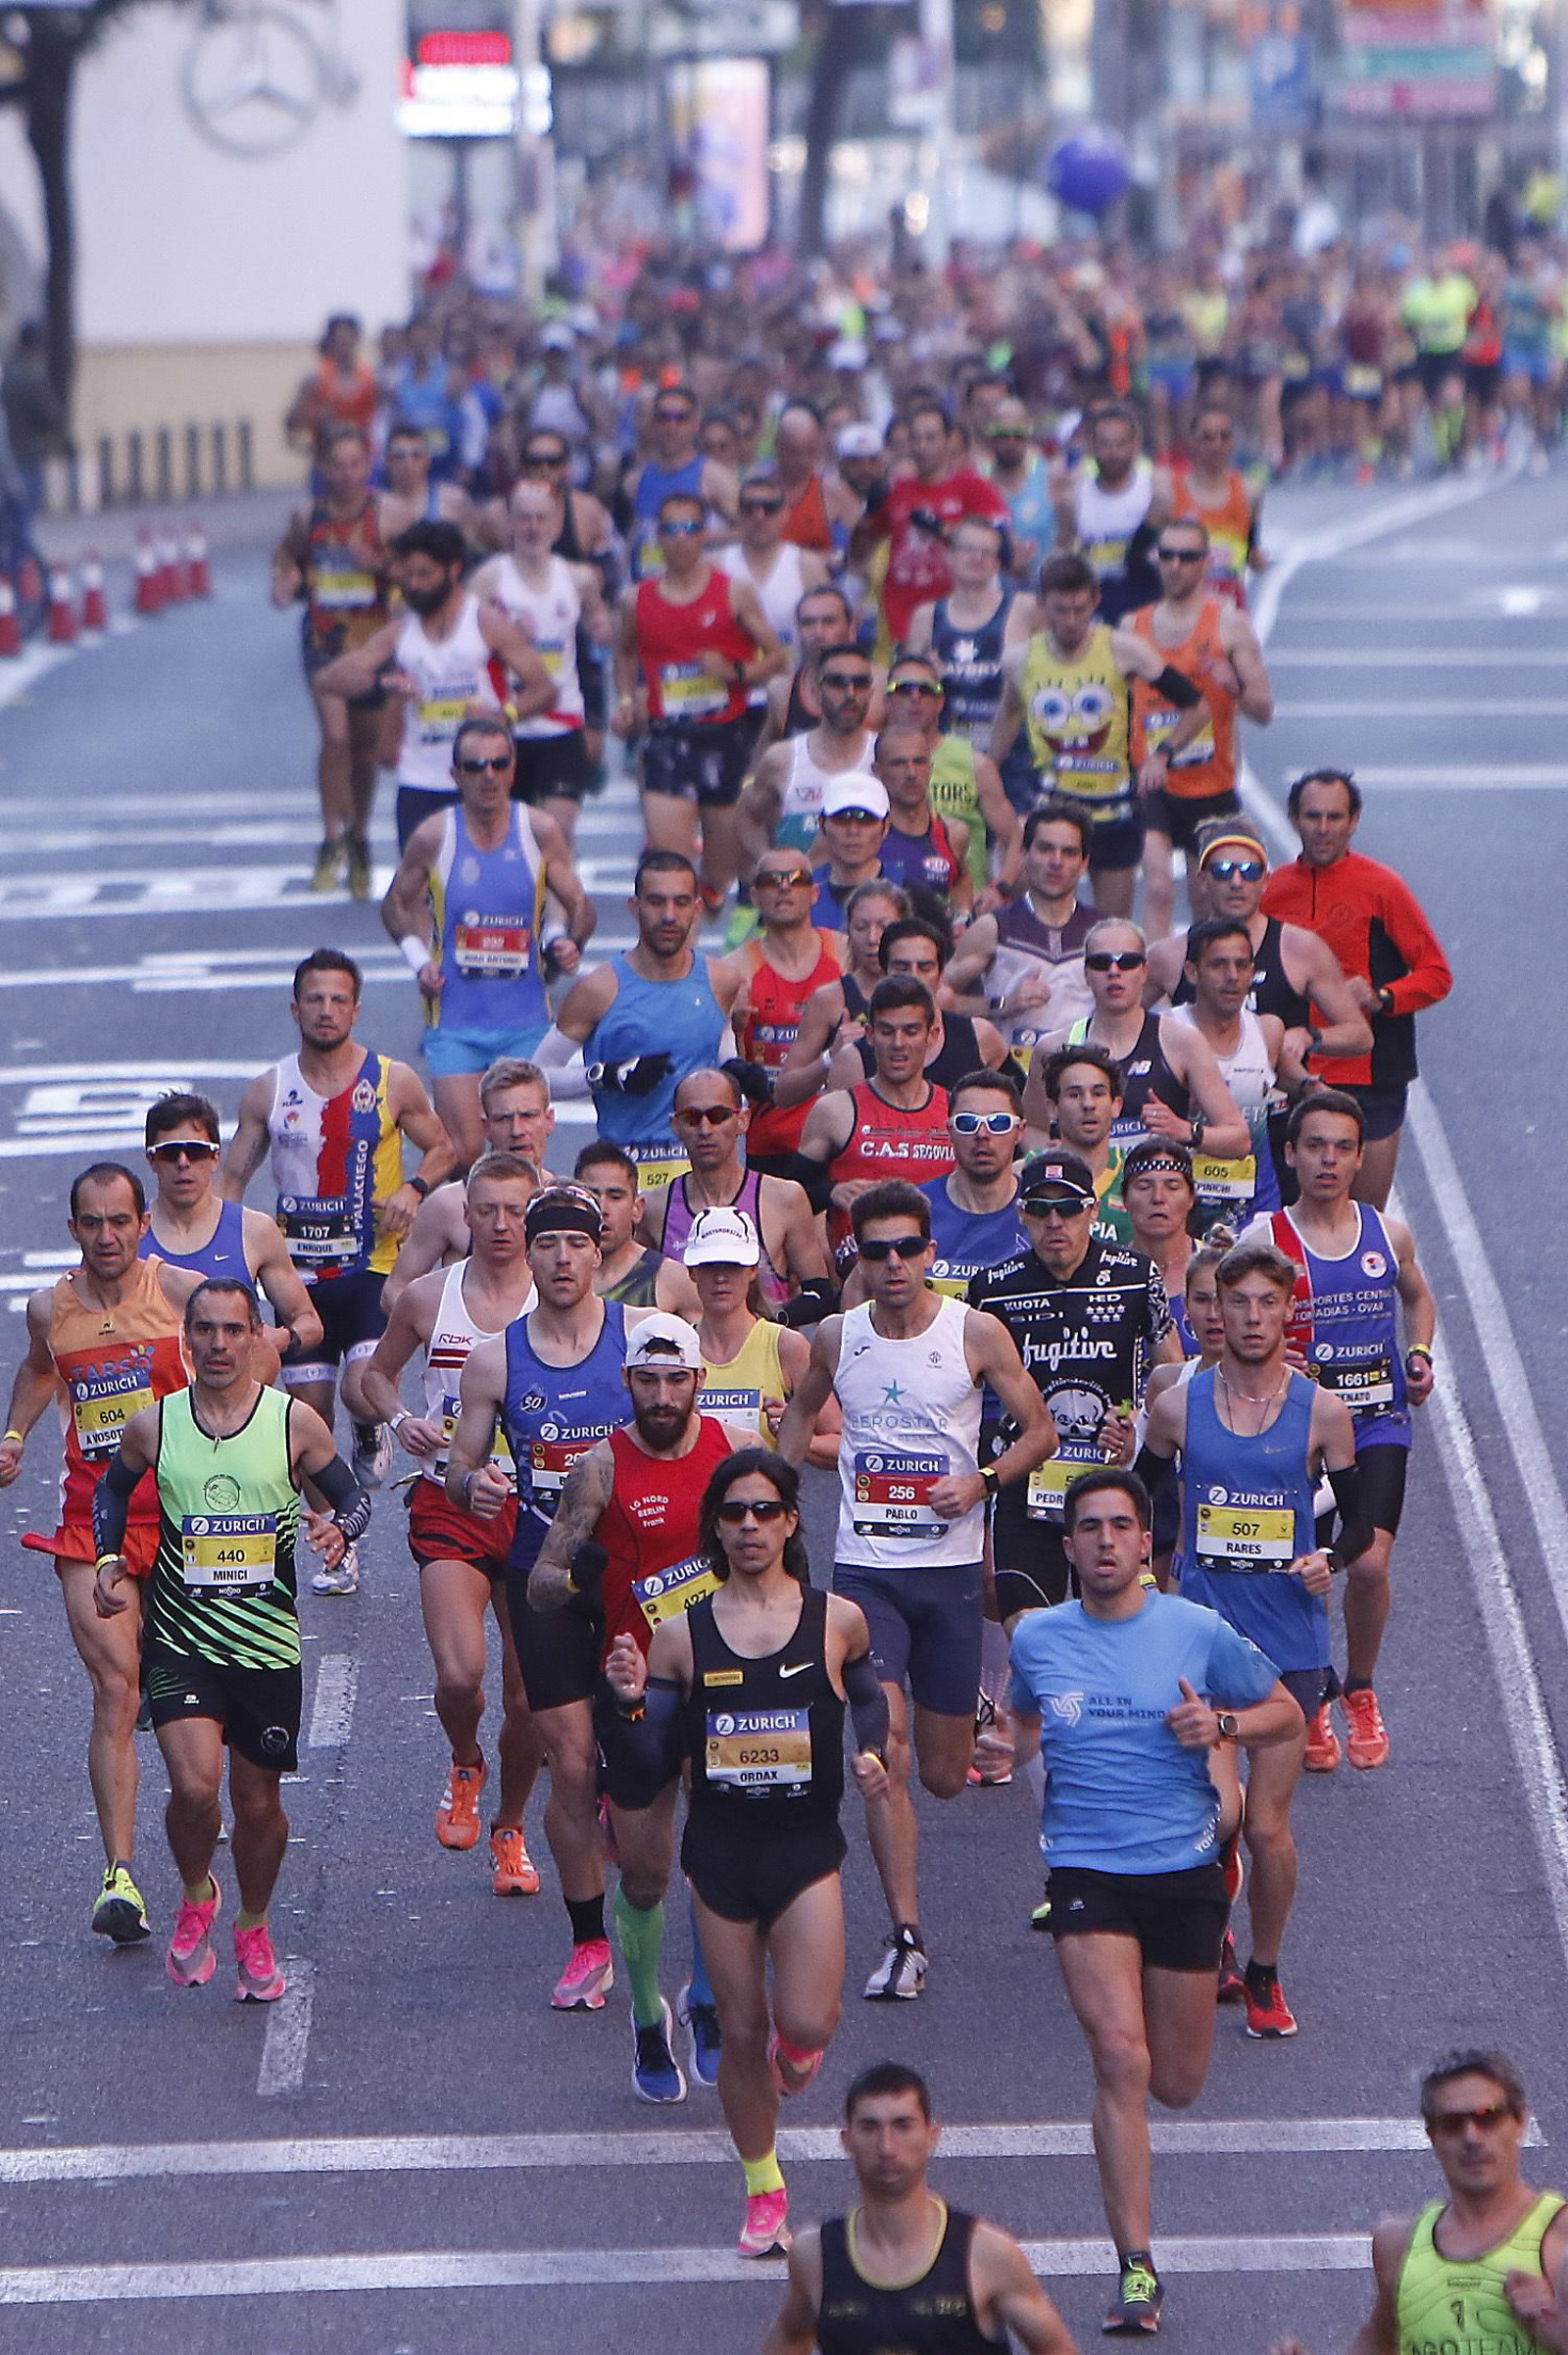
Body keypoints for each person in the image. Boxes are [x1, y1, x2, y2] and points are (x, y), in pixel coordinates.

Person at [1007, 1467, 1301, 2333]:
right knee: (1121, 2059)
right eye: (1088, 1527)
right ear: (1069, 1548)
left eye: (1120, 1526)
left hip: (1181, 1870)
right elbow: (1025, 1723)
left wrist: (1225, 1729)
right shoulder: (1037, 1638)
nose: (1105, 1540)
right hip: (1086, 1869)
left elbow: (1283, 1707)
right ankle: (1137, 2269)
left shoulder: (1195, 1630)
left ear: (1145, 1544)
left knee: (1175, 2080)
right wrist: (1005, 1748)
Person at [603, 1451, 889, 2258]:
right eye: (735, 1513)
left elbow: (865, 1697)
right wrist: (626, 1706)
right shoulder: (678, 1636)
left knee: (805, 2026)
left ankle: (789, 2063)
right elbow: (648, 1761)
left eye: (766, 1510)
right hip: (721, 1851)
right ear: (716, 1529)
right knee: (738, 2025)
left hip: (804, 1848)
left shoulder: (837, 1619)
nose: (751, 1525)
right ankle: (763, 2184)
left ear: (793, 1521)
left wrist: (874, 1753)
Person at [776, 1181, 1055, 2000]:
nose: (893, 1264)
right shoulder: (838, 1334)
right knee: (884, 1751)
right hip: (865, 1571)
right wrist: (767, 1489)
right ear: (854, 1256)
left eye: (908, 1248)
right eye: (877, 1250)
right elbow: (797, 1418)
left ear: (930, 1252)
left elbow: (1040, 1430)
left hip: (949, 1574)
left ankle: (965, 1703)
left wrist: (982, 1484)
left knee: (942, 1773)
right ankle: (905, 1934)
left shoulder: (974, 1332)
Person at [90, 1280, 371, 2002]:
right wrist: (106, 1557)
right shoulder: (154, 1426)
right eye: (205, 1331)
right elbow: (111, 1490)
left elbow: (353, 1495)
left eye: (232, 1330)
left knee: (256, 1804)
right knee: (193, 1786)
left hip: (266, 1644)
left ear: (256, 1337)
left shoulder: (293, 1422)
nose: (218, 1345)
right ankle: (194, 1895)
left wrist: (340, 1528)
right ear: (187, 1339)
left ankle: (251, 1921)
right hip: (183, 1637)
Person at [1139, 1239, 1367, 2040]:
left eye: (1269, 1303)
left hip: (1289, 1646)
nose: (1251, 1316)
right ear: (1216, 1310)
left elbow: (1359, 1512)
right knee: (1215, 1814)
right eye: (1237, 1302)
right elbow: (1148, 1494)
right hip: (1202, 1638)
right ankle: (1213, 1935)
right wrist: (1156, 1570)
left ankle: (1263, 1967)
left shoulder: (1322, 1409)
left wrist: (1326, 1557)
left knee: (1265, 1826)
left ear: (1286, 1311)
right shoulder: (1178, 1405)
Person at [516, 1313, 748, 2093]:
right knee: (648, 1873)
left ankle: (707, 1998)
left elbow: (787, 1554)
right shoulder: (598, 1468)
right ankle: (647, 2012)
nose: (660, 1394)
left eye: (674, 1378)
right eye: (646, 1380)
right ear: (627, 1383)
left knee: (723, 1854)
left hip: (726, 1680)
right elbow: (542, 1584)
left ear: (698, 1381)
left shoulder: (735, 1451)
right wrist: (589, 1567)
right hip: (637, 1683)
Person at [443, 1187, 662, 2011]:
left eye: (578, 1242)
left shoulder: (639, 1340)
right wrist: (477, 1483)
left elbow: (693, 1437)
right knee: (569, 1760)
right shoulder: (496, 1359)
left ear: (600, 1252)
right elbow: (460, 1467)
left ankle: (655, 1885)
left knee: (641, 1758)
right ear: (525, 1256)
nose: (563, 1257)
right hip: (543, 1576)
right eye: (548, 1245)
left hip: (634, 1574)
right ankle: (588, 1940)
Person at [2, 1165, 200, 1943]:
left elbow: (250, 1368)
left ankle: (196, 1854)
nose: (108, 1236)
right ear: (74, 1229)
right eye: (93, 1223)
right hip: (96, 1522)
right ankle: (118, 1875)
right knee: (117, 1688)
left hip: (188, 1519)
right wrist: (15, 1435)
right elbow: (37, 1368)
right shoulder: (51, 1307)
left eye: (120, 1220)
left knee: (191, 1709)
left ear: (142, 1221)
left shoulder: (181, 1295)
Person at [222, 949, 457, 1592]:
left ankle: (372, 1421)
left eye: (338, 999)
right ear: (294, 1007)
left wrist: (413, 1187)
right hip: (297, 1279)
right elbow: (233, 1179)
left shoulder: (392, 1079)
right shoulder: (269, 1090)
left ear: (356, 1008)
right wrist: (225, 1259)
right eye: (314, 999)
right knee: (306, 1418)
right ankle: (337, 1548)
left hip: (372, 1267)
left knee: (359, 1387)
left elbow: (445, 1144)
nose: (326, 1010)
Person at [355, 1153, 544, 1889]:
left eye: (516, 1211)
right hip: (450, 1498)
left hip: (535, 1508)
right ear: (463, 1216)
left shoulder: (560, 1302)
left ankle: (511, 1825)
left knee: (529, 1697)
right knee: (462, 1675)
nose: (501, 1225)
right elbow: (375, 1373)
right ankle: (466, 1758)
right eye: (487, 1210)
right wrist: (401, 1417)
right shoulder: (432, 1298)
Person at [1243, 1090, 1436, 1773]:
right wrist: (1264, 1350)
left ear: (1360, 1157)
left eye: (1342, 1147)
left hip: (1378, 1420)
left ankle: (1360, 1686)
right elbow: (1234, 1316)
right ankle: (1313, 1689)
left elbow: (1417, 1295)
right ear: (1290, 1153)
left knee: (1371, 1560)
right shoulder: (1265, 1237)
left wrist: (1419, 1354)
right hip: (1299, 1428)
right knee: (1304, 1569)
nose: (1328, 1159)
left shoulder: (1388, 1233)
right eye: (1314, 1145)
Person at [970, 1151, 1179, 1622]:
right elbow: (963, 1392)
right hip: (1027, 1480)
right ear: (1021, 1214)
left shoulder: (1136, 1276)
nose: (1054, 1222)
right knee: (1024, 1624)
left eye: (1068, 1208)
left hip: (1113, 1477)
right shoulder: (992, 1288)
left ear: (1093, 1210)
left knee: (1126, 1621)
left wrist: (1139, 1430)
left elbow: (1172, 1378)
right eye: (1040, 1210)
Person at [379, 713, 595, 1169]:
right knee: (466, 1154)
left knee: (521, 1151)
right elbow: (396, 903)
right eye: (475, 766)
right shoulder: (436, 835)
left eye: (498, 763)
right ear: (455, 774)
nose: (488, 776)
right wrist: (419, 960)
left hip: (525, 1021)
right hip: (457, 1021)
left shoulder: (538, 831)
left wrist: (568, 939)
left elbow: (579, 904)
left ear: (513, 769)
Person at [762, 2061, 1080, 2355]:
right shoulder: (814, 2256)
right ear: (848, 2140)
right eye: (870, 2128)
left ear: (931, 2136)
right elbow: (791, 2337)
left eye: (903, 2125)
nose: (886, 2147)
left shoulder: (989, 2255)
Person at [1272, 2051, 1568, 2355]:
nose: (1471, 2137)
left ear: (1520, 2122)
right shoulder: (1397, 2246)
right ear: (1432, 2135)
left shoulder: (1561, 2239)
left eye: (1487, 2117)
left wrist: (1556, 2330)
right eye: (1452, 2123)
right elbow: (1380, 2344)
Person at [1261, 769, 1453, 1205]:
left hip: (1372, 1078)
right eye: (1313, 816)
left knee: (1364, 1221)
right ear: (1293, 819)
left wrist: (1384, 997)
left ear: (1354, 821)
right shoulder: (1271, 892)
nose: (1324, 829)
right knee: (1294, 1219)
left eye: (1335, 817)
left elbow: (1436, 974)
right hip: (1295, 1078)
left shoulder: (1383, 886)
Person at [311, 517, 556, 852]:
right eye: (408, 575)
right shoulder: (401, 633)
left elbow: (544, 689)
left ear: (453, 570)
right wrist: (385, 684)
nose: (414, 584)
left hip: (479, 779)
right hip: (419, 781)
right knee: (419, 894)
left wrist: (505, 714)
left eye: (425, 574)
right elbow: (329, 679)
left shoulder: (485, 623)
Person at [990, 555, 1202, 917]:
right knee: (1029, 919)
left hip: (1112, 812)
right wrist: (986, 776)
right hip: (1051, 807)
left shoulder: (1123, 649)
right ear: (1042, 607)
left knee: (1110, 933)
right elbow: (1008, 715)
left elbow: (1197, 706)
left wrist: (1162, 754)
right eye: (1060, 610)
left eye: (1079, 609)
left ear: (1095, 602)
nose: (1071, 621)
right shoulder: (1020, 660)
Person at [616, 491, 786, 907]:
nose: (680, 538)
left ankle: (711, 891)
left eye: (690, 528)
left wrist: (735, 672)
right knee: (673, 866)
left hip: (726, 738)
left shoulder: (733, 593)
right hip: (667, 739)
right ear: (658, 536)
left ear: (703, 535)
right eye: (671, 529)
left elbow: (779, 658)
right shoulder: (636, 599)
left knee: (720, 874)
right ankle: (682, 951)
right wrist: (625, 701)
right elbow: (624, 652)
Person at [540, 848, 743, 1193]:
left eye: (681, 903)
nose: (668, 915)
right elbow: (536, 1079)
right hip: (626, 1175)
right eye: (655, 902)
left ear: (697, 908)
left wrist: (737, 1071)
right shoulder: (598, 989)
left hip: (702, 1173)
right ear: (634, 907)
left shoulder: (722, 981)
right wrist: (606, 1076)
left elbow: (719, 1048)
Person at [1146, 817, 1372, 1093]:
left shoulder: (1300, 948)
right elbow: (1118, 1024)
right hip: (1198, 1121)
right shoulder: (1169, 956)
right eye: (1223, 871)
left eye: (1250, 871)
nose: (1236, 882)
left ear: (1266, 880)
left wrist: (1309, 1035)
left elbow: (1360, 1035)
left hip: (1281, 1115)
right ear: (1203, 880)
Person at [1131, 516, 1274, 942]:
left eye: (1188, 557)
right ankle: (1154, 990)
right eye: (1167, 555)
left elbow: (1264, 710)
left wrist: (1234, 688)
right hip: (1155, 783)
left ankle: (1197, 989)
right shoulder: (1133, 627)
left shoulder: (1228, 624)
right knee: (1157, 887)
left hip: (1210, 784)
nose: (1176, 566)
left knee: (1204, 898)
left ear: (1206, 562)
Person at [270, 422, 391, 897]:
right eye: (337, 465)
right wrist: (285, 579)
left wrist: (379, 563)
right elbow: (289, 556)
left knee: (364, 749)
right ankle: (330, 838)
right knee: (335, 737)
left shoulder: (386, 516)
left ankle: (359, 835)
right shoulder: (308, 515)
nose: (347, 474)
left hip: (372, 643)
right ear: (323, 468)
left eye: (355, 464)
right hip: (323, 640)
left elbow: (413, 570)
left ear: (368, 465)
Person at [1023, 919, 1250, 1163]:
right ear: (1086, 974)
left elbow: (1239, 1139)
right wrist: (1051, 1157)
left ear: (1144, 971)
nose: (1114, 972)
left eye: (1127, 962)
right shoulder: (1053, 1048)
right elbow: (1032, 1128)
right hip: (1087, 1194)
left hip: (1155, 1195)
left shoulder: (1181, 1041)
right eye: (1101, 963)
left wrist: (1185, 1131)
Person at [469, 475, 611, 838]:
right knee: (506, 833)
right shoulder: (488, 579)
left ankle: (557, 892)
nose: (533, 527)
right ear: (510, 523)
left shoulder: (578, 578)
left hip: (561, 720)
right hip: (506, 723)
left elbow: (601, 620)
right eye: (524, 518)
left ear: (557, 524)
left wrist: (601, 627)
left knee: (557, 831)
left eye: (541, 518)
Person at [139, 1093, 321, 1368]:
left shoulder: (254, 1231)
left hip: (236, 1396)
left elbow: (308, 1321)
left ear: (215, 1158)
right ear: (152, 1161)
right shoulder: (127, 1237)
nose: (183, 1163)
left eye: (196, 1152)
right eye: (169, 1153)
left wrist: (282, 1339)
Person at [638, 1067, 831, 1314]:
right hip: (688, 1348)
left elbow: (819, 1294)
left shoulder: (784, 1199)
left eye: (718, 1116)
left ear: (742, 1120)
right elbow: (637, 1294)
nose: (705, 1129)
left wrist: (769, 1328)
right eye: (691, 1118)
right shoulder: (655, 1207)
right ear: (675, 1125)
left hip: (763, 1346)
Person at [797, 979, 958, 1263]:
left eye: (911, 1031)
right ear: (870, 1035)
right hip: (861, 1271)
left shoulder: (956, 1111)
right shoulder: (835, 1110)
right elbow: (790, 1194)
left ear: (932, 1035)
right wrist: (831, 1191)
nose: (899, 1044)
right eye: (887, 1031)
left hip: (943, 1267)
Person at [382, 1055, 562, 1303]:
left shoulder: (565, 1201)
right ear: (485, 1126)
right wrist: (439, 1330)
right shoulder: (449, 1205)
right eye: (504, 1118)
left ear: (549, 1121)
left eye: (528, 1116)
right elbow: (395, 1289)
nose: (517, 1130)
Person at [719, 849, 850, 1175]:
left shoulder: (846, 954)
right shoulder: (734, 970)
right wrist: (736, 1028)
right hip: (771, 1141)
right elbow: (723, 1065)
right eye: (770, 881)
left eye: (796, 880)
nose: (784, 888)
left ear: (815, 892)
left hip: (839, 1135)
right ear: (754, 895)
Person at [940, 800, 1097, 1069]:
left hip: (1081, 1082)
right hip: (1009, 1078)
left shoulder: (1102, 932)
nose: (1056, 862)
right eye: (1046, 849)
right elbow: (938, 998)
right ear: (1024, 855)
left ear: (1084, 863)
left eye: (1069, 852)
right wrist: (1002, 1004)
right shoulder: (993, 928)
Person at [850, 396, 1008, 650]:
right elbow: (858, 552)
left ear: (948, 441)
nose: (922, 447)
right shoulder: (895, 490)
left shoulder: (974, 488)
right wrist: (869, 511)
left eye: (931, 438)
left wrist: (942, 529)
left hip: (955, 616)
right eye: (915, 438)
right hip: (900, 620)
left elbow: (1003, 547)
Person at [1165, 919, 1291, 1230]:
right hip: (1184, 1205)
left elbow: (1288, 1085)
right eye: (1219, 965)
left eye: (1241, 965)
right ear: (1192, 972)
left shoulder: (1268, 1030)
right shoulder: (1166, 1032)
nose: (1232, 977)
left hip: (1255, 1201)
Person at [682, 1208, 838, 1456]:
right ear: (692, 1272)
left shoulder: (786, 1346)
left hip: (764, 1493)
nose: (721, 1277)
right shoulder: (678, 1349)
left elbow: (841, 1441)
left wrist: (795, 1433)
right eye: (710, 1265)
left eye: (733, 1265)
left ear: (752, 1270)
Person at [880, 653, 1020, 903]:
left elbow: (1015, 835)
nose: (915, 698)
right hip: (889, 901)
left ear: (940, 701)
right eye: (903, 690)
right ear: (887, 701)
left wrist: (1001, 888)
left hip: (963, 901)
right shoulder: (871, 761)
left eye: (926, 690)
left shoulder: (974, 763)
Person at [827, 914, 1013, 1098]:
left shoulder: (979, 1036)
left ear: (941, 976)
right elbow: (832, 1124)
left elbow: (1023, 1106)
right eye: (901, 967)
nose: (914, 976)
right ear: (883, 973)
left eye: (925, 967)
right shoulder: (854, 1057)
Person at [740, 643, 876, 866]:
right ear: (815, 690)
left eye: (859, 683)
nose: (850, 693)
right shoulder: (782, 758)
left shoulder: (887, 755)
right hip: (804, 892)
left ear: (871, 691)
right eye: (836, 683)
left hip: (869, 892)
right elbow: (747, 816)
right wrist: (768, 860)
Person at [720, 466, 831, 734]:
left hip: (792, 697)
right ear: (738, 514)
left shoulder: (807, 565)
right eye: (750, 508)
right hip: (730, 698)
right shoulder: (718, 566)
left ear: (785, 514)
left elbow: (832, 635)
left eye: (769, 508)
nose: (759, 516)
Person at [1052, 401, 1173, 624]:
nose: (1113, 453)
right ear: (1091, 445)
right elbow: (1063, 552)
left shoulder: (1154, 488)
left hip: (1146, 603)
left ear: (1135, 444)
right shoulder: (1075, 497)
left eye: (1121, 444)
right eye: (1105, 445)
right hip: (1097, 607)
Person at [906, 514, 1016, 752]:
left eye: (986, 552)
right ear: (950, 556)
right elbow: (905, 689)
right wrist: (926, 678)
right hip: (946, 750)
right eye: (968, 550)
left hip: (1008, 750)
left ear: (997, 563)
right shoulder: (926, 616)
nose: (977, 558)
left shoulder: (1021, 609)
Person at [918, 1069, 1030, 1298]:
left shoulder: (1042, 1210)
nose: (982, 1134)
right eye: (967, 1123)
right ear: (949, 1131)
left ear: (1020, 1131)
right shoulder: (915, 1210)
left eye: (998, 1123)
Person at [623, 380, 739, 581]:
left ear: (695, 424)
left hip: (696, 585)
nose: (671, 426)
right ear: (653, 423)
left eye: (680, 418)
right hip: (647, 584)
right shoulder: (634, 481)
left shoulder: (715, 478)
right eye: (664, 418)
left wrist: (699, 537)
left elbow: (749, 531)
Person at [574, 1142, 703, 1316]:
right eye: (592, 1196)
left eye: (615, 1197)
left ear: (637, 1208)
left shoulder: (672, 1280)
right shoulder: (553, 1275)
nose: (602, 1208)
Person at [1029, 1046, 1135, 1245]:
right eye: (1074, 1095)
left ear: (1116, 1105)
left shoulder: (1136, 1178)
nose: (1088, 1104)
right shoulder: (1025, 1174)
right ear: (1052, 1108)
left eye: (1098, 1093)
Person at [1169, 405, 1267, 606]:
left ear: (1233, 443)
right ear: (1192, 442)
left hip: (1229, 608)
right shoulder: (1170, 494)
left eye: (1225, 437)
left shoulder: (1250, 493)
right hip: (1181, 612)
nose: (1217, 445)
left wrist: (1257, 559)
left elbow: (1251, 550)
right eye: (1207, 437)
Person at [808, 777, 896, 931]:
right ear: (822, 823)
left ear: (886, 826)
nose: (853, 831)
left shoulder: (912, 894)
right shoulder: (801, 896)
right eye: (841, 819)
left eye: (866, 820)